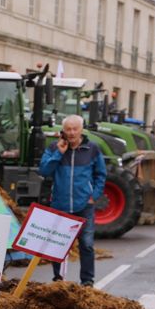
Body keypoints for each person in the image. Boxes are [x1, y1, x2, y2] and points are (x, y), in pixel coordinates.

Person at [38, 114, 105, 287]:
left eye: (75, 129)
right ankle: (59, 279)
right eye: (68, 129)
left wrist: (94, 196)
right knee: (59, 245)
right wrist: (58, 154)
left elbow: (101, 174)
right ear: (63, 130)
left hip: (84, 205)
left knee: (87, 245)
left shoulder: (93, 149)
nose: (72, 132)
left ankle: (87, 281)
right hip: (60, 204)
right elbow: (44, 170)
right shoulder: (54, 147)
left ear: (81, 130)